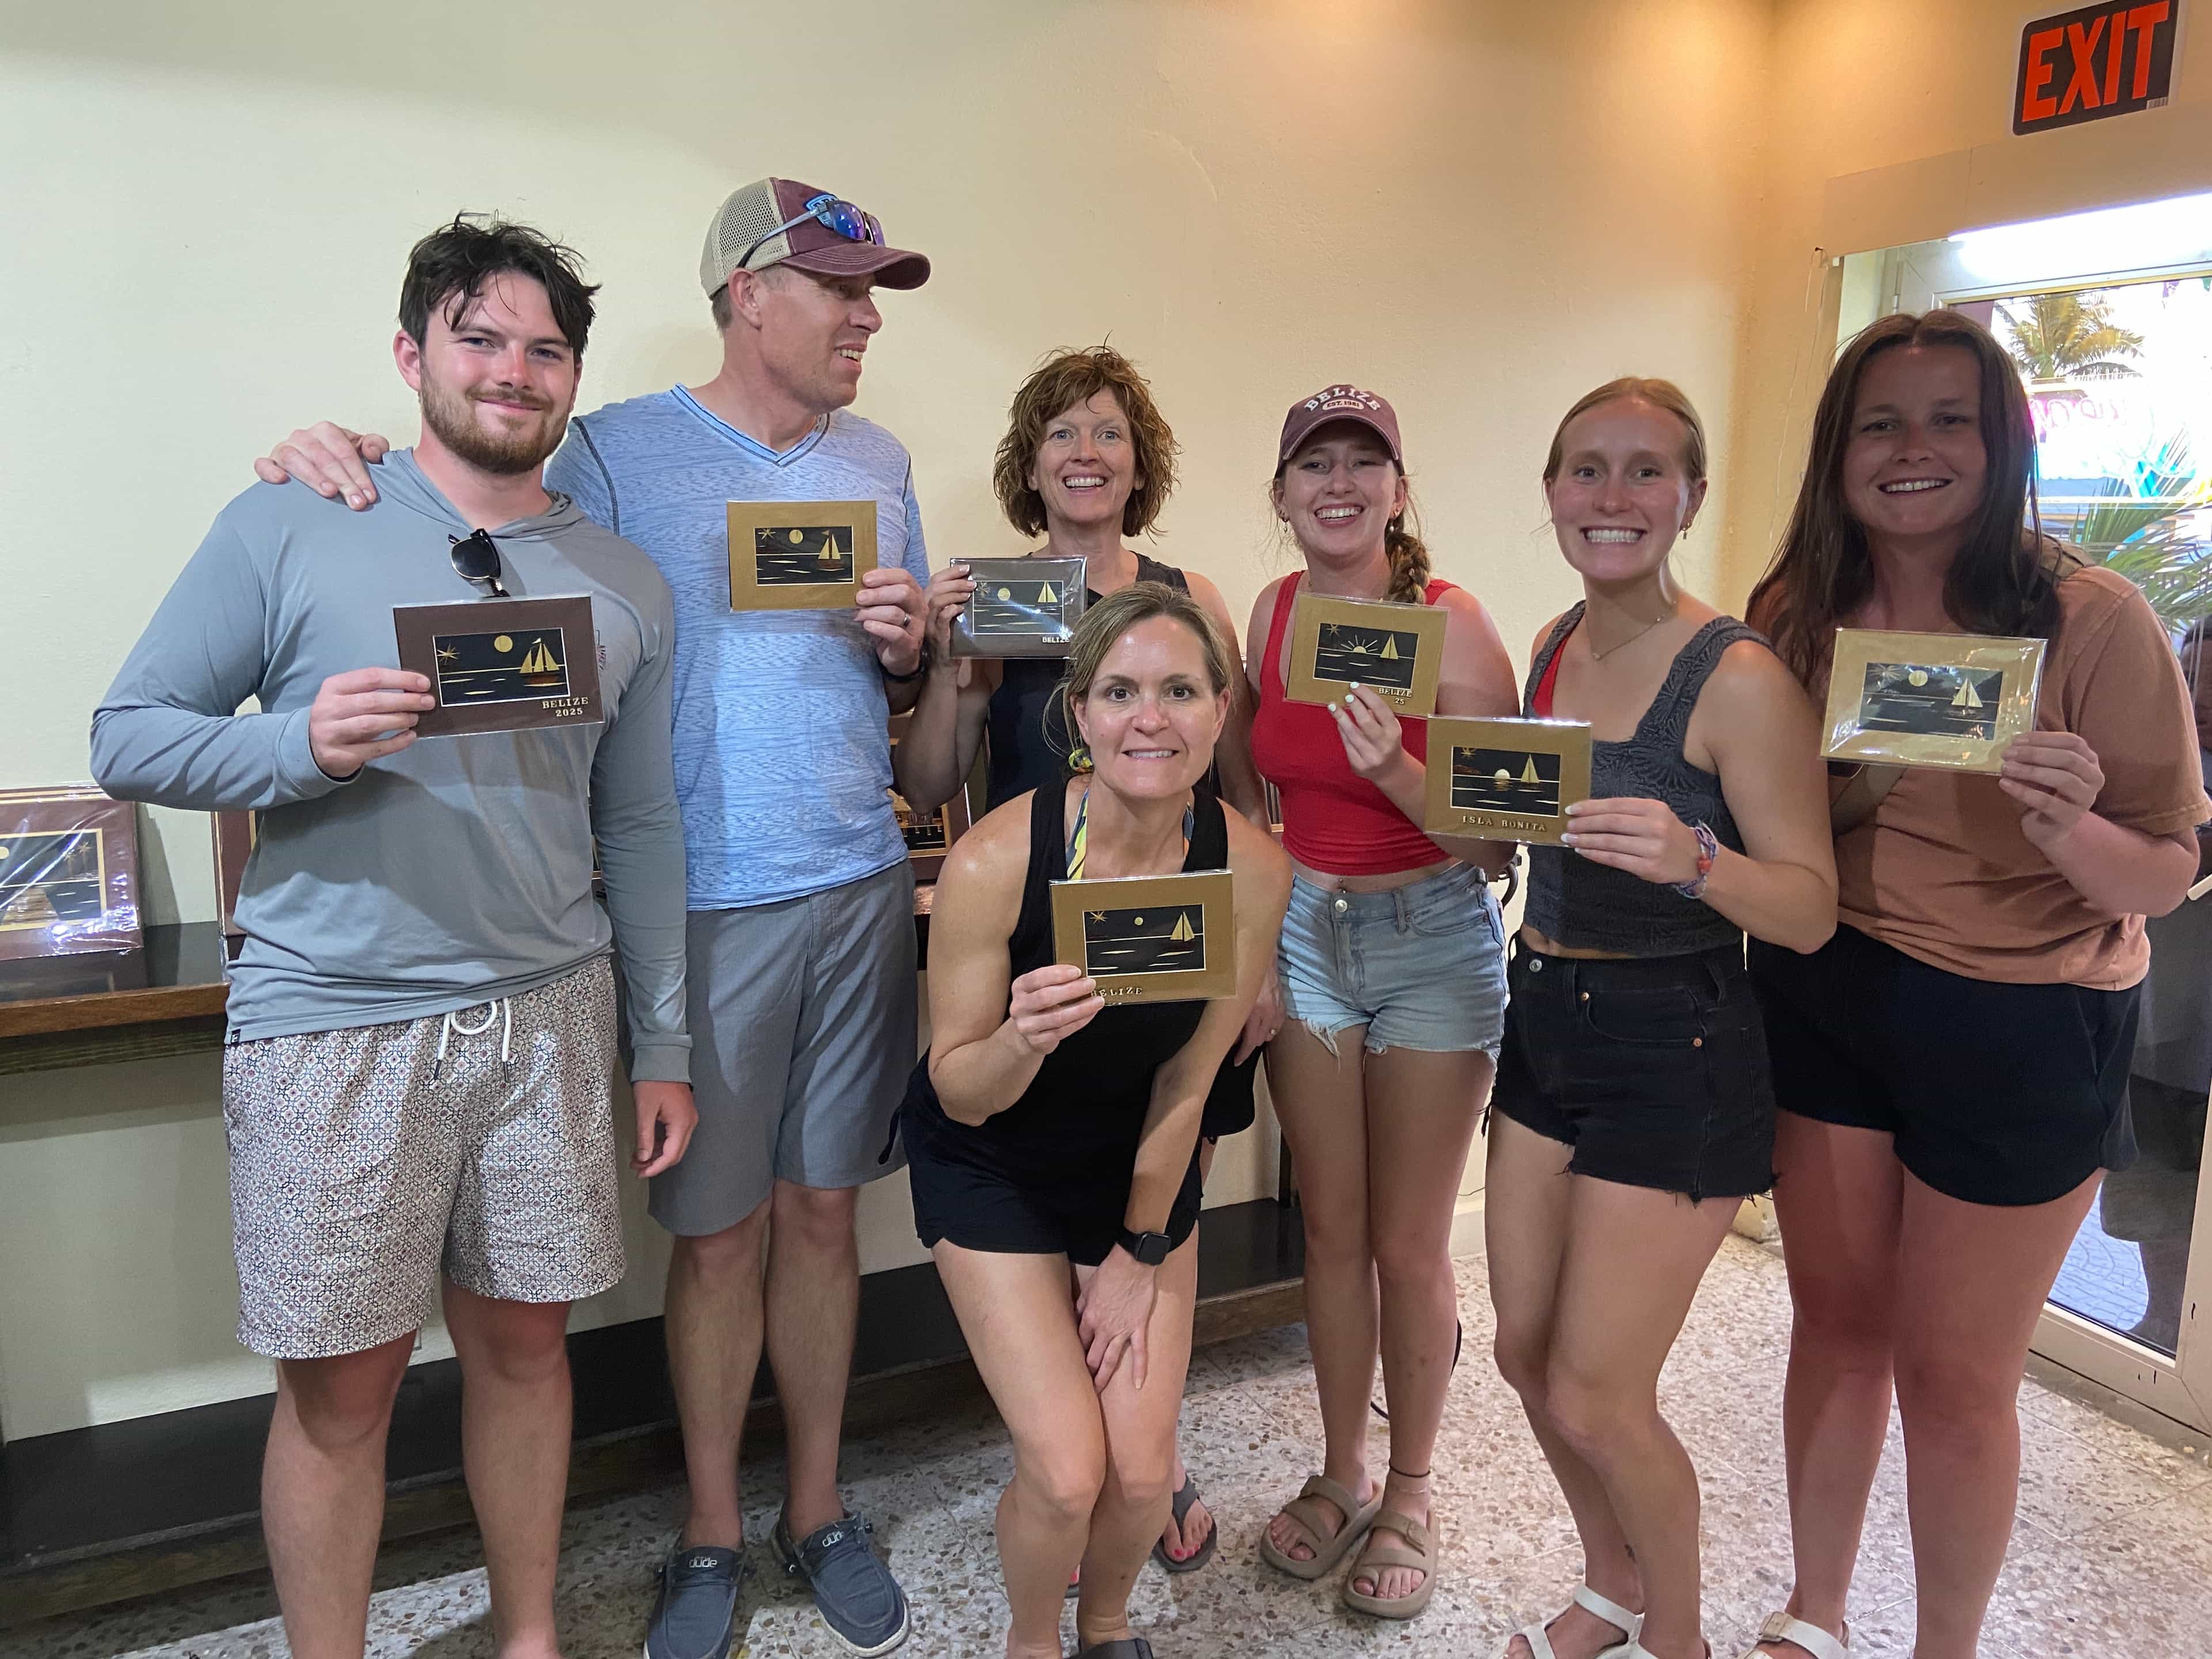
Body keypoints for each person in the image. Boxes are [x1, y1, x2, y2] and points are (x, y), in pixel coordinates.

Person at [252, 177, 935, 1659]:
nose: (866, 317)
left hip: (861, 886)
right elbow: (478, 499)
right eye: (840, 287)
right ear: (749, 291)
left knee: (830, 1218)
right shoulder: (615, 452)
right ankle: (705, 1532)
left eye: (875, 291)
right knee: (718, 1237)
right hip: (703, 902)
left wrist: (912, 655)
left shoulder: (880, 458)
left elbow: (914, 710)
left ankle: (815, 1508)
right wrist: (336, 450)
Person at [90, 215, 697, 1659]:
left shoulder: (623, 582)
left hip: (551, 1013)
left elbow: (647, 829)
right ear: (413, 352)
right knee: (342, 1395)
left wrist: (662, 1042)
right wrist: (297, 748)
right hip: (337, 1023)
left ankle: (531, 1635)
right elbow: (129, 734)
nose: (514, 369)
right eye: (480, 336)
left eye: (546, 348)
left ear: (570, 382)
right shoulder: (295, 516)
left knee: (529, 1349)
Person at [1741, 309, 2209, 1659]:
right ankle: (1813, 1612)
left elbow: (2165, 877)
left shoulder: (2094, 618)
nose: (1913, 449)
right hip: (1831, 988)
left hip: (2023, 1019)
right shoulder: (1798, 614)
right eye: (1881, 422)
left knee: (1957, 1376)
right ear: (1839, 452)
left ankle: (1945, 1644)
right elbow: (1790, 834)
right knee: (1835, 1325)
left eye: (1951, 419)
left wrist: (2073, 824)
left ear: (2003, 442)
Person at [899, 344, 1271, 1575]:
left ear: (1138, 458)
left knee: (1157, 1138)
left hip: (1169, 925)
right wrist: (957, 672)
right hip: (1031, 931)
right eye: (1062, 433)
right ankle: (1071, 1446)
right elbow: (932, 785)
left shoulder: (1189, 594)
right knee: (1037, 1142)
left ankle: (1133, 1447)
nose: (1086, 453)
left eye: (1108, 431)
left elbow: (1234, 788)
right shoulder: (1000, 599)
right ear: (1032, 461)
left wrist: (1253, 961)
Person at [1484, 380, 1836, 1659]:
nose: (1613, 498)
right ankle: (1610, 1585)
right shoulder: (1545, 650)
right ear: (1554, 493)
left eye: (1646, 473)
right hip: (1542, 1018)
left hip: (1674, 1041)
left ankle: (1675, 1642)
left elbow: (1806, 910)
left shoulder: (1735, 676)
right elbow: (1524, 833)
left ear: (1690, 496)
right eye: (1588, 470)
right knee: (1527, 1356)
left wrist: (1698, 863)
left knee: (1598, 1388)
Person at [1247, 385, 1520, 1619]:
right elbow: (1258, 799)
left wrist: (1399, 770)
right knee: (1329, 1230)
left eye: (1364, 464)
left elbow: (1497, 846)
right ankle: (1341, 1470)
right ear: (1286, 493)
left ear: (1400, 491)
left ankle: (1410, 1486)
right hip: (1304, 928)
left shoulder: (1456, 629)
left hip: (1430, 940)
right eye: (1316, 466)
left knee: (1410, 1244)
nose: (1339, 485)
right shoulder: (1274, 610)